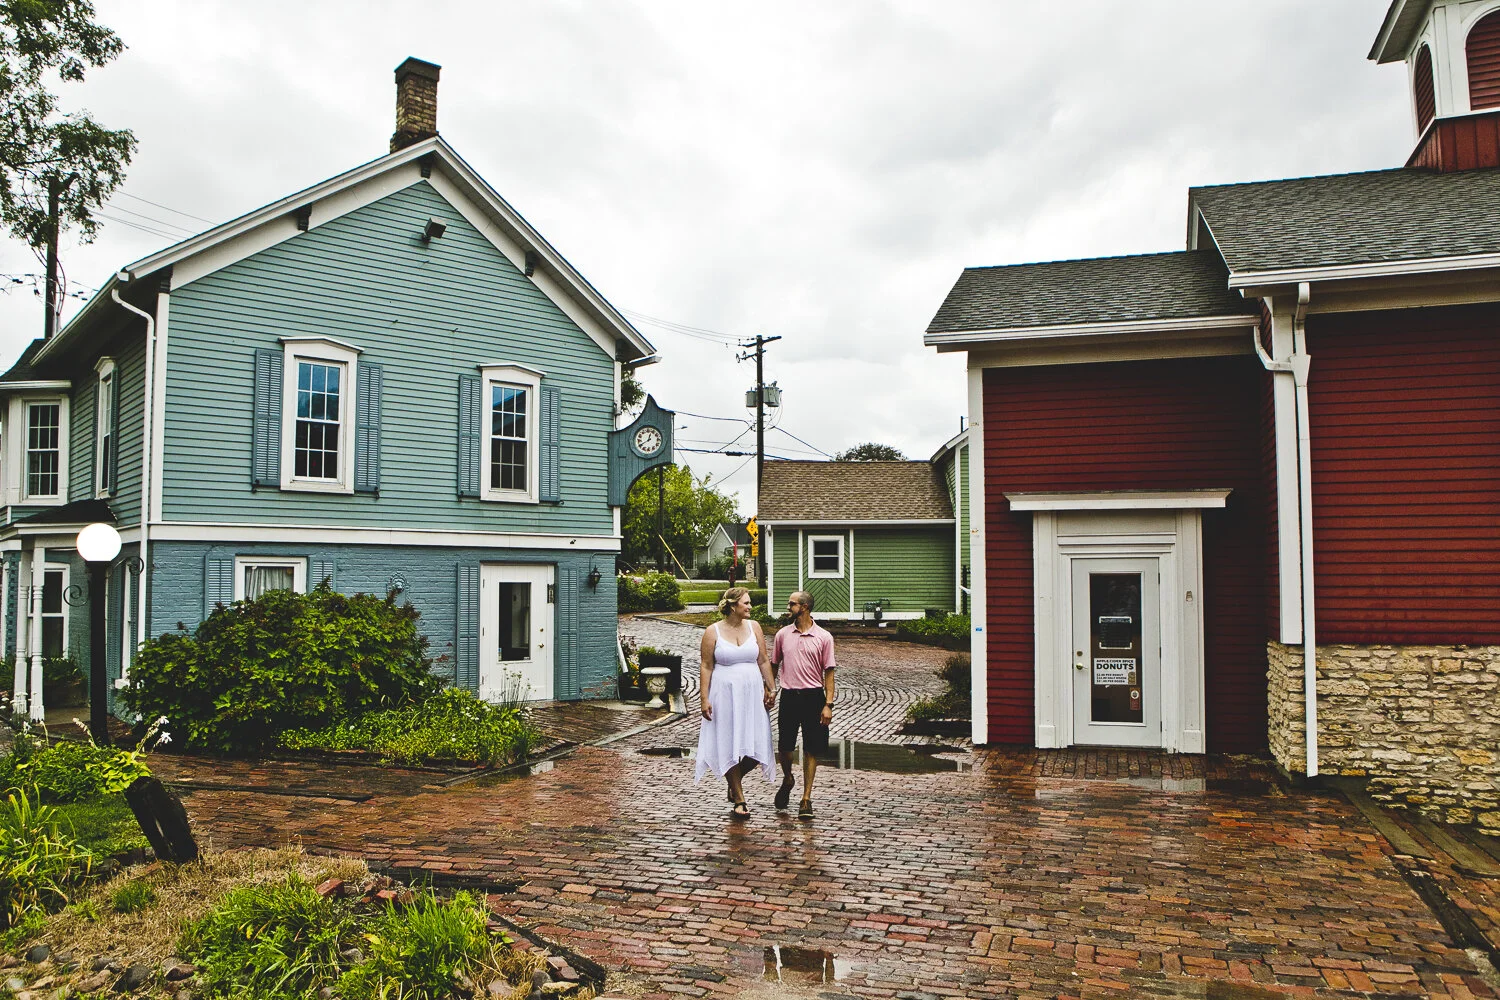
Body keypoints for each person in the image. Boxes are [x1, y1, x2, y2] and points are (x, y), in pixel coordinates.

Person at [695, 587, 776, 818]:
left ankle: (734, 779)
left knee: (758, 744)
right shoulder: (713, 632)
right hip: (724, 693)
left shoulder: (755, 627)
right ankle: (740, 799)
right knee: (728, 742)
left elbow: (763, 660)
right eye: (746, 603)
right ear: (732, 606)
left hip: (751, 693)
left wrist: (771, 687)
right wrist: (704, 698)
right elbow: (706, 665)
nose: (750, 607)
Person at [771, 591, 836, 820]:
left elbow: (829, 673)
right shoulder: (782, 635)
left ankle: (806, 799)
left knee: (811, 749)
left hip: (813, 698)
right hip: (789, 696)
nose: (788, 607)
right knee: (785, 748)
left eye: (792, 604)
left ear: (805, 607)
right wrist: (770, 689)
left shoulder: (824, 637)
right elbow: (773, 665)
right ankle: (788, 777)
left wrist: (828, 704)